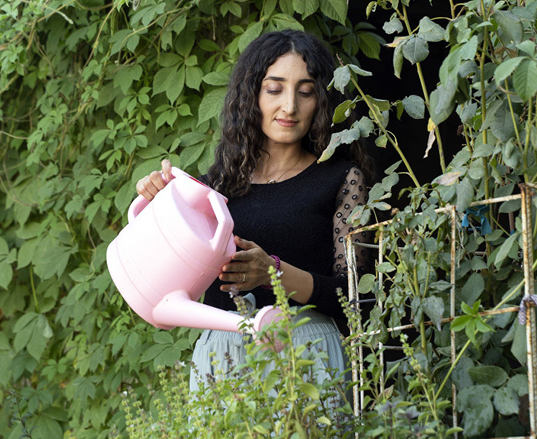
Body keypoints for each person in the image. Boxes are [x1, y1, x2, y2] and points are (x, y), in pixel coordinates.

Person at [135, 30, 373, 400]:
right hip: (222, 359)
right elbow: (159, 294)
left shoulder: (341, 179)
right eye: (274, 89)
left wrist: (273, 273)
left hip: (308, 357)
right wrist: (157, 207)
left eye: (306, 91)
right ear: (251, 95)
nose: (290, 106)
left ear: (322, 101)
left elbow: (356, 298)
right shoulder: (212, 189)